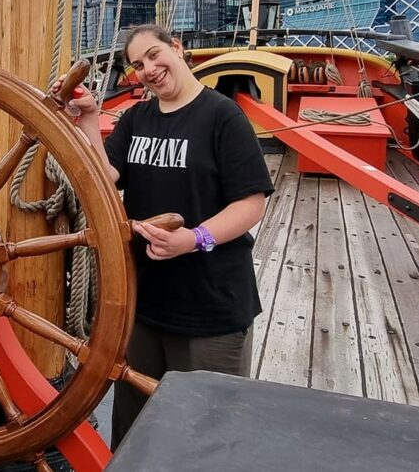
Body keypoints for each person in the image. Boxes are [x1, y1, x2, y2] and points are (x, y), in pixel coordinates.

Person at [53, 23, 274, 450]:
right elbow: (106, 177)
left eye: (155, 55)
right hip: (145, 307)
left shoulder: (222, 116)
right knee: (138, 433)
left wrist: (193, 239)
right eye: (138, 65)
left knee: (206, 437)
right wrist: (90, 119)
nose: (149, 69)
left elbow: (251, 204)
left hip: (209, 311)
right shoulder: (136, 118)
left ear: (177, 47)